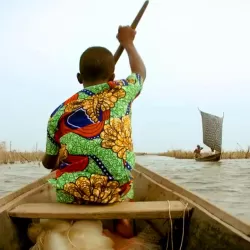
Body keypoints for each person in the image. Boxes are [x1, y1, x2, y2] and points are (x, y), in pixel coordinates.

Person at [42, 25, 146, 238]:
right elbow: (140, 73)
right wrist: (128, 43)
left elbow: (49, 163)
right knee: (124, 185)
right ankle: (123, 221)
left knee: (63, 183)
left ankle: (73, 220)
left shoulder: (59, 112)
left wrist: (48, 161)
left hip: (74, 193)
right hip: (116, 190)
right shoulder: (121, 92)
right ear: (113, 76)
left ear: (79, 77)